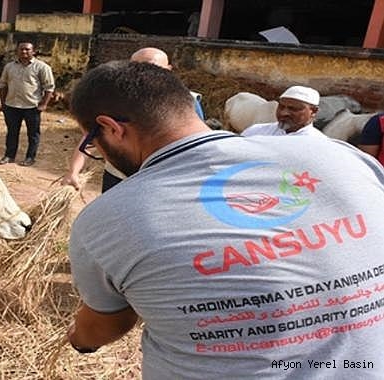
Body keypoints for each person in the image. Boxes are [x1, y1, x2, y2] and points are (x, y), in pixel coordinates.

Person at [66, 60, 384, 379]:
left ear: (111, 128)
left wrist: (79, 340)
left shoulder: (108, 219)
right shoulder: (344, 157)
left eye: (93, 143)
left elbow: (105, 326)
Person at [61, 47, 205, 191]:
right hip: (118, 176)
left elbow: (196, 146)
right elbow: (91, 137)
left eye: (152, 69)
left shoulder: (187, 102)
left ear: (168, 70)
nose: (143, 76)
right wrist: (73, 171)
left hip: (161, 180)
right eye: (136, 68)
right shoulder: (113, 101)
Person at [0, 42, 55, 167]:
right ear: (17, 51)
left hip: (32, 107)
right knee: (12, 132)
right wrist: (3, 104)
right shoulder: (9, 67)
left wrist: (44, 104)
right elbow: (3, 85)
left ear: (33, 51)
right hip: (12, 105)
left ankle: (30, 157)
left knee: (33, 134)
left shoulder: (42, 67)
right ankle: (9, 156)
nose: (24, 52)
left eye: (27, 50)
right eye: (21, 49)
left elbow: (49, 88)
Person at [241, 85, 325, 137]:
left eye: (293, 109)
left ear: (313, 111)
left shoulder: (318, 142)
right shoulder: (255, 131)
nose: (283, 113)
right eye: (281, 107)